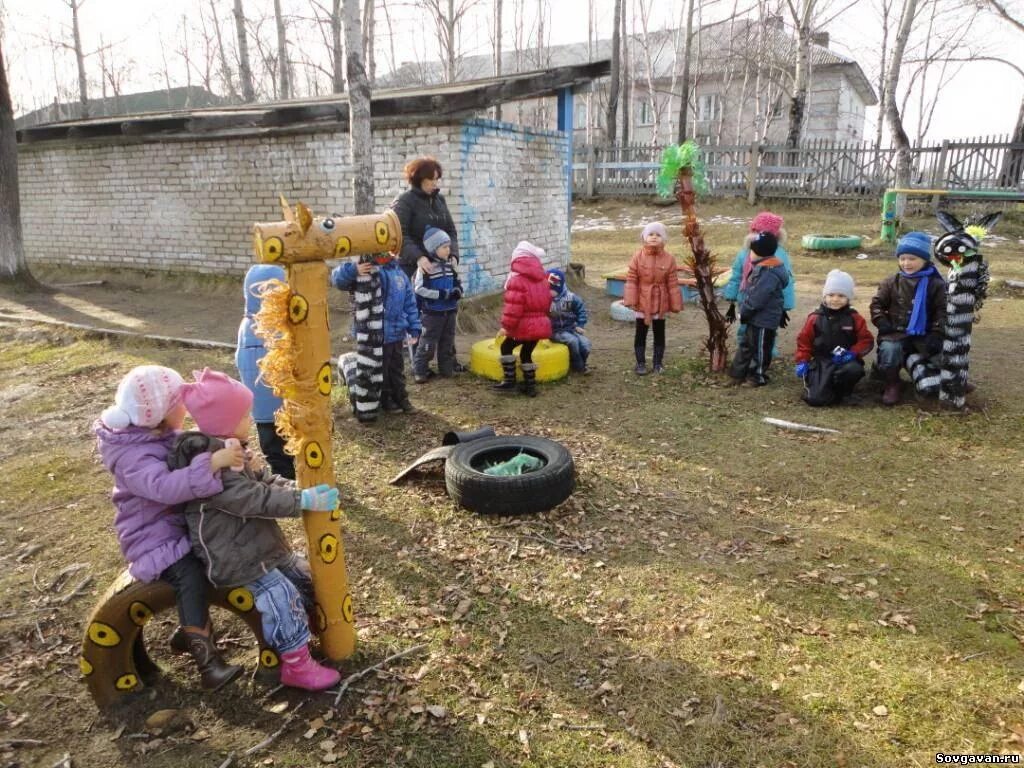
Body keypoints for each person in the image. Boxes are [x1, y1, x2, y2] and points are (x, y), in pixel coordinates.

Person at [172, 368, 342, 692]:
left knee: (305, 578)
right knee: (281, 596)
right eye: (245, 414)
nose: (250, 419)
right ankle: (296, 665)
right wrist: (302, 501)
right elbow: (253, 499)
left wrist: (298, 489)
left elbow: (265, 480)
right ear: (225, 421)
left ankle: (307, 637)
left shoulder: (234, 450)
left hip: (258, 547)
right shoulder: (212, 469)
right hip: (235, 559)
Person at [93, 365, 244, 690]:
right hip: (152, 539)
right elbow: (164, 487)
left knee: (210, 561)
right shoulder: (132, 456)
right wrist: (212, 464)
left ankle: (186, 631)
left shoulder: (157, 435)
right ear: (158, 415)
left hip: (173, 530)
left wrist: (222, 448)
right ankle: (208, 664)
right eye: (180, 406)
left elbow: (188, 451)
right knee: (189, 575)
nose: (185, 410)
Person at [331, 252, 421, 414]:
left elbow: (410, 302)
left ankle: (401, 398)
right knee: (380, 369)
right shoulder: (366, 270)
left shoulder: (398, 273)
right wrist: (354, 270)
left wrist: (414, 327)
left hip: (396, 331)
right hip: (374, 334)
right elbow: (337, 279)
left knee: (397, 368)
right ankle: (385, 400)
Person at [869, 231, 947, 406]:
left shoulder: (937, 284)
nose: (906, 263)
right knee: (890, 349)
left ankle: (949, 381)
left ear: (924, 259)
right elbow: (877, 305)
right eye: (902, 258)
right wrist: (881, 321)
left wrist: (937, 332)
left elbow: (942, 311)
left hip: (924, 332)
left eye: (912, 258)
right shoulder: (891, 282)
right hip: (895, 332)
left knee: (942, 355)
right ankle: (892, 383)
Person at [236, 264, 293, 479]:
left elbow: (240, 360)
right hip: (285, 403)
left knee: (273, 449)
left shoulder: (245, 325)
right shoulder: (284, 328)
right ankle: (295, 482)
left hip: (260, 407)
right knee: (292, 442)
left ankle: (283, 480)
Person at [794, 270, 875, 406]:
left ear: (848, 298)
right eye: (831, 295)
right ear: (824, 296)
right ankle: (819, 387)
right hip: (822, 361)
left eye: (841, 295)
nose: (835, 299)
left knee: (853, 370)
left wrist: (853, 353)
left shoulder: (854, 318)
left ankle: (845, 393)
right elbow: (804, 341)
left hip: (845, 360)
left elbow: (866, 340)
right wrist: (802, 361)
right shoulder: (815, 318)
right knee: (816, 400)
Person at [722, 211, 796, 358]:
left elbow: (786, 281)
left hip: (769, 303)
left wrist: (785, 306)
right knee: (745, 327)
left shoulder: (779, 255)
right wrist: (731, 298)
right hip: (746, 299)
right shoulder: (744, 253)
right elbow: (737, 276)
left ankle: (767, 352)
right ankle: (745, 352)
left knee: (767, 328)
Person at [728, 231, 790, 386]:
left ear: (759, 253)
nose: (749, 254)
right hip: (755, 317)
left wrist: (745, 311)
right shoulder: (762, 268)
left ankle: (758, 376)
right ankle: (738, 373)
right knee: (746, 344)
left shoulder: (769, 272)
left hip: (764, 319)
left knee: (760, 349)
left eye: (751, 251)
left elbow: (758, 297)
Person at [622, 222, 683, 375]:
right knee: (640, 333)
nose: (654, 237)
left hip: (660, 302)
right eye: (651, 234)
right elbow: (632, 279)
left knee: (659, 333)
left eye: (658, 235)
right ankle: (640, 363)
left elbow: (673, 282)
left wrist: (675, 303)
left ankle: (658, 363)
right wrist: (630, 299)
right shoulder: (638, 257)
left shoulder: (669, 259)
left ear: (664, 239)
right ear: (644, 237)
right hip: (643, 301)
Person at [494, 241, 552, 397]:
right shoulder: (543, 280)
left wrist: (506, 327)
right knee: (526, 353)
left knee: (506, 347)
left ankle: (510, 382)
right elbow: (547, 304)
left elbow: (513, 309)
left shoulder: (517, 281)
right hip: (540, 324)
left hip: (523, 325)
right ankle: (530, 387)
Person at [391, 156, 460, 280]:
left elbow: (451, 231)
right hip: (412, 269)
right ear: (419, 179)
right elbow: (399, 236)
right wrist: (419, 257)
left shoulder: (440, 200)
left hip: (440, 268)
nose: (435, 183)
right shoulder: (404, 201)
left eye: (437, 179)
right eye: (430, 179)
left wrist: (453, 254)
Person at [413, 226, 462, 383]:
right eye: (444, 247)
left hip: (450, 311)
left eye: (449, 246)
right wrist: (440, 295)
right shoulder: (425, 269)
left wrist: (458, 290)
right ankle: (420, 370)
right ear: (434, 249)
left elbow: (457, 281)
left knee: (447, 342)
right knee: (428, 342)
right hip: (432, 313)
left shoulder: (450, 265)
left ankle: (446, 370)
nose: (448, 250)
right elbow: (419, 289)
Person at [547, 268, 592, 374]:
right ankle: (579, 367)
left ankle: (580, 362)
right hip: (555, 330)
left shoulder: (571, 297)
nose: (549, 292)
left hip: (571, 328)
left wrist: (580, 325)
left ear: (559, 287)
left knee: (586, 344)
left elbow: (581, 311)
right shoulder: (545, 299)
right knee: (573, 342)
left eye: (551, 289)